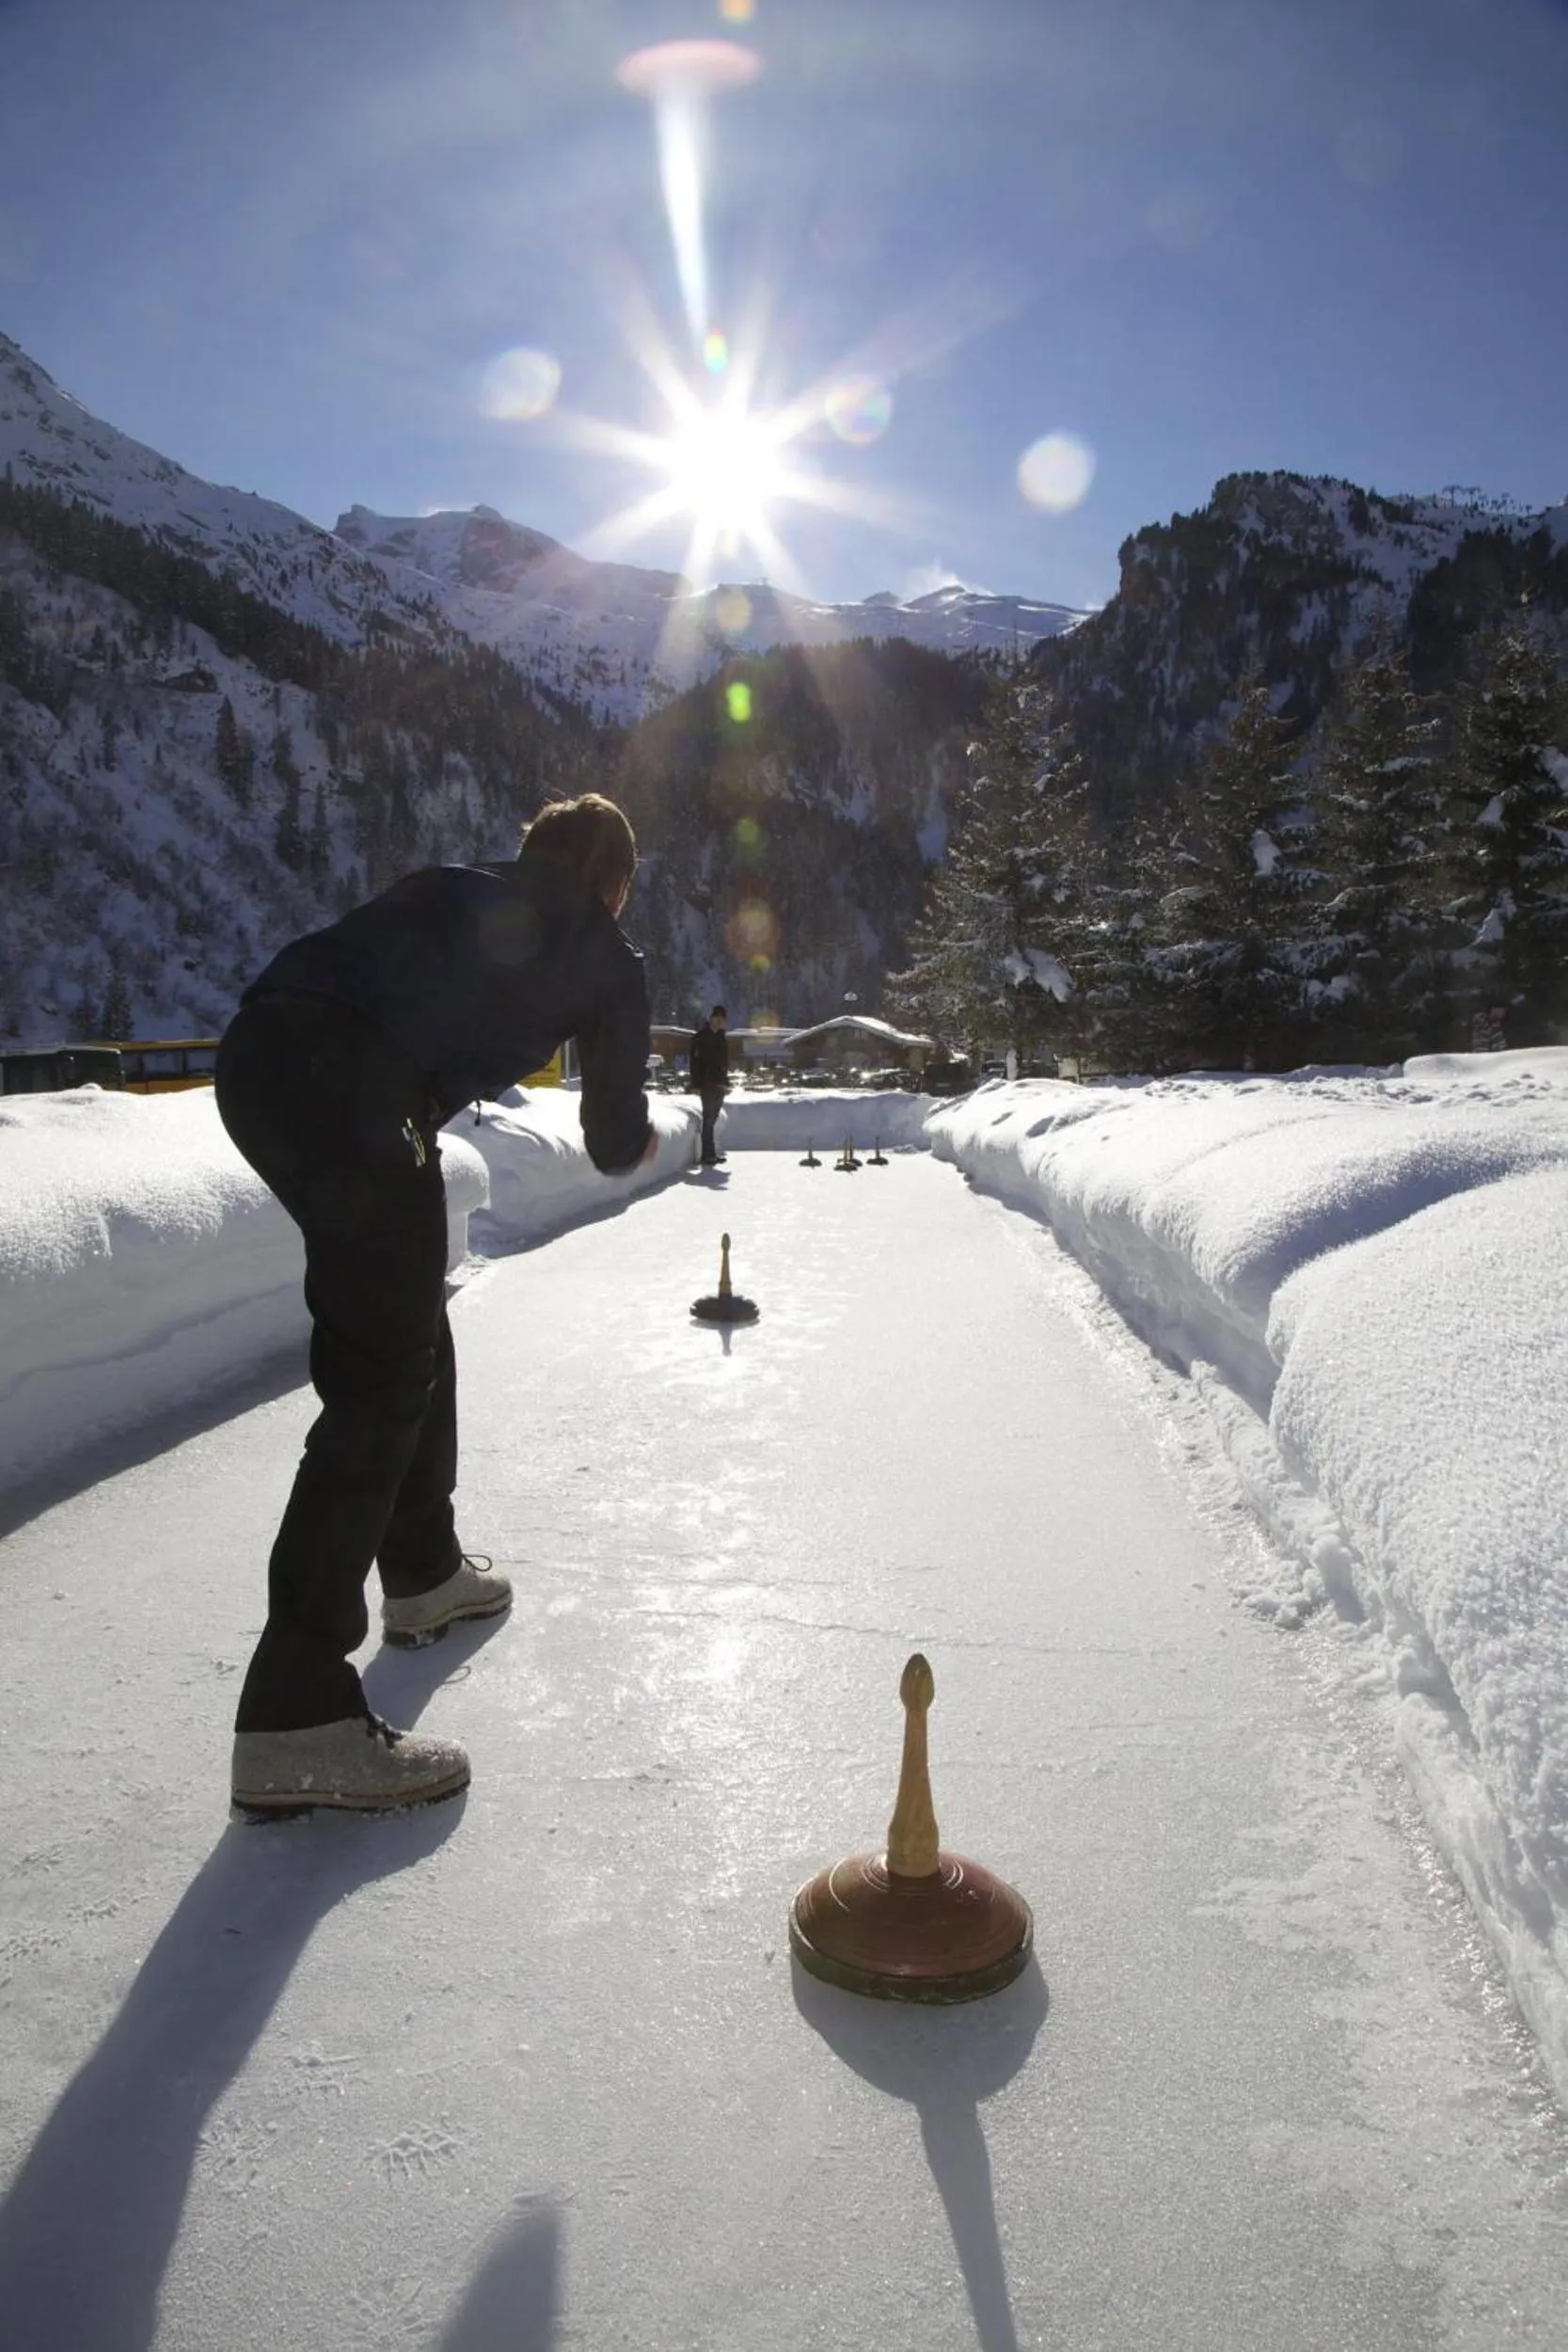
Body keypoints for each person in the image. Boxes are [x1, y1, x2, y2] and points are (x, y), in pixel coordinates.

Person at [215, 794, 654, 1815]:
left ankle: (422, 1570)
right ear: (613, 882)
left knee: (405, 1311)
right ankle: (296, 1716)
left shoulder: (452, 885)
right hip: (358, 1084)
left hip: (257, 1055)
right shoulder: (605, 948)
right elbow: (608, 1135)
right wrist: (638, 1137)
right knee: (378, 1378)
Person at [689, 1003, 730, 1164]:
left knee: (713, 1118)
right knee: (708, 1117)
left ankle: (711, 1151)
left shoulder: (722, 1038)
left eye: (722, 1020)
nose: (719, 1022)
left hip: (720, 1083)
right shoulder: (700, 1037)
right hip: (706, 1082)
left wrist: (726, 1080)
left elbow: (725, 1062)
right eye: (717, 1018)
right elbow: (694, 1062)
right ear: (711, 1018)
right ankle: (707, 1155)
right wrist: (695, 1084)